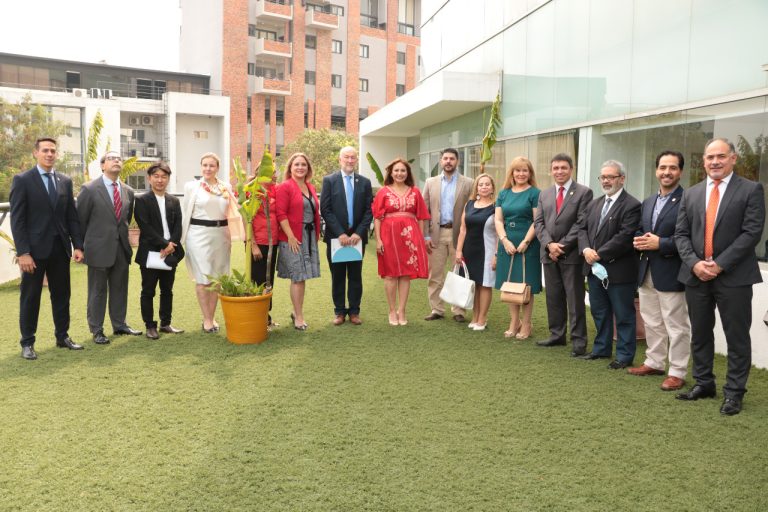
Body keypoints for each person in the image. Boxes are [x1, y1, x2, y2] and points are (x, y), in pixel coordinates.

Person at [675, 138, 765, 415]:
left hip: (734, 277)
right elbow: (681, 234)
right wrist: (695, 264)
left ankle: (734, 393)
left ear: (733, 158)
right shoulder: (691, 193)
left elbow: (752, 232)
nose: (715, 161)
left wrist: (720, 264)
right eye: (710, 157)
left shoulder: (750, 190)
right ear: (703, 161)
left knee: (736, 336)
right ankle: (704, 383)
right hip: (696, 276)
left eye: (721, 156)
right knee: (700, 333)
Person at [9, 137, 85, 360]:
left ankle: (62, 336)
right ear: (36, 153)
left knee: (62, 295)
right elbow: (17, 220)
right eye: (45, 150)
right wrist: (23, 252)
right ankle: (27, 343)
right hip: (33, 252)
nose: (49, 154)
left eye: (53, 150)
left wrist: (78, 245)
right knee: (30, 297)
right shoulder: (23, 180)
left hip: (60, 249)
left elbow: (71, 216)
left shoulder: (65, 181)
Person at [628, 151, 690, 391]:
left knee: (676, 325)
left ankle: (677, 372)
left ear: (680, 172)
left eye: (672, 168)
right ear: (656, 171)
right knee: (652, 320)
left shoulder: (687, 200)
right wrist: (639, 239)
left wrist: (661, 243)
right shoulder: (648, 201)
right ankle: (654, 362)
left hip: (672, 272)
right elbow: (640, 229)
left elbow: (689, 238)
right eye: (663, 167)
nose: (667, 172)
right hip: (646, 270)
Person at [578, 160, 641, 369]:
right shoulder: (594, 204)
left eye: (610, 177)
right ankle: (601, 349)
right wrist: (585, 250)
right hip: (594, 270)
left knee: (623, 315)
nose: (606, 181)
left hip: (619, 271)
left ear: (622, 179)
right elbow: (582, 229)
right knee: (600, 312)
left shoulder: (632, 205)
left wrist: (598, 254)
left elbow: (625, 237)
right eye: (603, 177)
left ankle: (624, 356)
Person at [77, 150, 141, 344]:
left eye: (119, 159)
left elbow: (125, 219)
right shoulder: (89, 189)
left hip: (121, 248)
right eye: (112, 158)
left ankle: (119, 325)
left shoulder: (128, 191)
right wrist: (79, 247)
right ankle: (97, 330)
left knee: (120, 288)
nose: (117, 161)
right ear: (103, 165)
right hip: (97, 249)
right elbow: (80, 221)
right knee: (97, 291)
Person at [534, 154, 593, 355]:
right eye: (556, 168)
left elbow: (581, 223)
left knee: (575, 299)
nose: (559, 171)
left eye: (563, 167)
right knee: (553, 297)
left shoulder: (584, 192)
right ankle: (557, 335)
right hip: (549, 254)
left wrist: (561, 246)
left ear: (571, 169)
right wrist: (549, 245)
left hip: (571, 255)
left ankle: (578, 342)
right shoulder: (544, 194)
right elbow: (539, 223)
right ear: (551, 170)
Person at [181, 152, 244, 333]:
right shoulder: (192, 186)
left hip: (221, 235)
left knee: (217, 279)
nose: (208, 168)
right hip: (198, 234)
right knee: (203, 278)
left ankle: (212, 316)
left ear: (218, 168)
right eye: (205, 165)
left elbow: (234, 208)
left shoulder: (225, 187)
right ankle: (207, 319)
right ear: (201, 167)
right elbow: (185, 211)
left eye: (212, 165)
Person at [373, 158, 430, 326]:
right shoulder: (383, 192)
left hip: (410, 238)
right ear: (391, 173)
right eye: (396, 170)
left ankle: (402, 310)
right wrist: (378, 240)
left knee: (405, 275)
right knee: (390, 275)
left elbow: (421, 217)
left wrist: (420, 238)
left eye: (403, 170)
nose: (399, 173)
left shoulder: (415, 192)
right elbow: (377, 217)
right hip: (388, 237)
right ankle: (392, 310)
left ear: (408, 173)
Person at [320, 146, 373, 326]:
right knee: (338, 276)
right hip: (337, 239)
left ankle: (355, 312)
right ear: (340, 159)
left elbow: (369, 210)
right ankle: (340, 312)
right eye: (346, 157)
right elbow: (325, 209)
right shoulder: (329, 180)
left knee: (355, 276)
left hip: (357, 239)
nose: (350, 160)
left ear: (356, 160)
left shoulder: (364, 182)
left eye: (353, 157)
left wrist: (359, 232)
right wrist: (340, 233)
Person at [134, 162, 185, 340]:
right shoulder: (141, 200)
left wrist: (171, 245)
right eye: (156, 176)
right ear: (149, 179)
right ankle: (150, 326)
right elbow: (145, 227)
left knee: (167, 290)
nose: (160, 180)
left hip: (170, 253)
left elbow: (178, 226)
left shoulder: (174, 201)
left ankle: (165, 323)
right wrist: (164, 244)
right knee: (148, 291)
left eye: (164, 177)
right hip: (151, 252)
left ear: (168, 179)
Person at [422, 148, 473, 322]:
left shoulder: (468, 183)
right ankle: (437, 309)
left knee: (458, 272)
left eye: (452, 158)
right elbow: (424, 211)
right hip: (436, 234)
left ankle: (458, 310)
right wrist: (425, 236)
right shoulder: (430, 182)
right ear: (441, 161)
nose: (448, 161)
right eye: (445, 158)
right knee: (435, 274)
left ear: (458, 161)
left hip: (459, 234)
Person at [494, 157, 542, 339]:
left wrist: (526, 242)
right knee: (510, 284)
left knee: (526, 284)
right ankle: (515, 322)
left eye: (525, 170)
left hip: (528, 243)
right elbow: (498, 220)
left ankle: (527, 323)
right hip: (507, 243)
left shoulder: (535, 193)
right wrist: (504, 240)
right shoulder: (503, 193)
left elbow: (537, 221)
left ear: (530, 173)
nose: (521, 174)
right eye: (517, 170)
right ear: (512, 173)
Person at [276, 153, 321, 331]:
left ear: (308, 168)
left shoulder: (310, 186)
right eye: (296, 164)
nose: (300, 167)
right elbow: (281, 213)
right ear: (290, 168)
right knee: (298, 277)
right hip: (292, 238)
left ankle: (297, 312)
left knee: (303, 278)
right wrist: (291, 236)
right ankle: (299, 316)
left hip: (308, 236)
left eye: (303, 164)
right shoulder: (285, 187)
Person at [455, 173, 498, 331]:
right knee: (473, 284)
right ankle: (475, 316)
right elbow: (463, 229)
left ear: (492, 188)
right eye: (481, 184)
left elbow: (500, 233)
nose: (484, 187)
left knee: (485, 284)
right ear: (476, 188)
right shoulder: (469, 204)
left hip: (487, 250)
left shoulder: (497, 206)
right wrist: (459, 250)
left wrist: (496, 255)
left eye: (487, 184)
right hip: (469, 250)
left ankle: (482, 318)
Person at [251, 169, 280, 328]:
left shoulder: (275, 189)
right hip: (258, 242)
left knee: (269, 280)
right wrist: (253, 244)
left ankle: (266, 316)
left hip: (272, 242)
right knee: (258, 279)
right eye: (272, 172)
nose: (275, 175)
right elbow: (247, 219)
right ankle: (256, 317)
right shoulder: (252, 190)